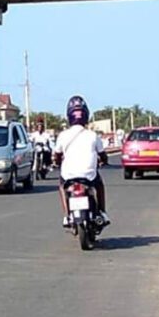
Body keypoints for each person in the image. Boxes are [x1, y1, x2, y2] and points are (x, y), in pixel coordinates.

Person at [53, 95, 110, 228]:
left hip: (68, 175)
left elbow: (57, 155)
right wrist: (103, 161)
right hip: (89, 175)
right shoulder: (93, 135)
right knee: (99, 185)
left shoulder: (63, 136)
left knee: (61, 186)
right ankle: (102, 212)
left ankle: (67, 216)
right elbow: (103, 155)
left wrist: (57, 163)